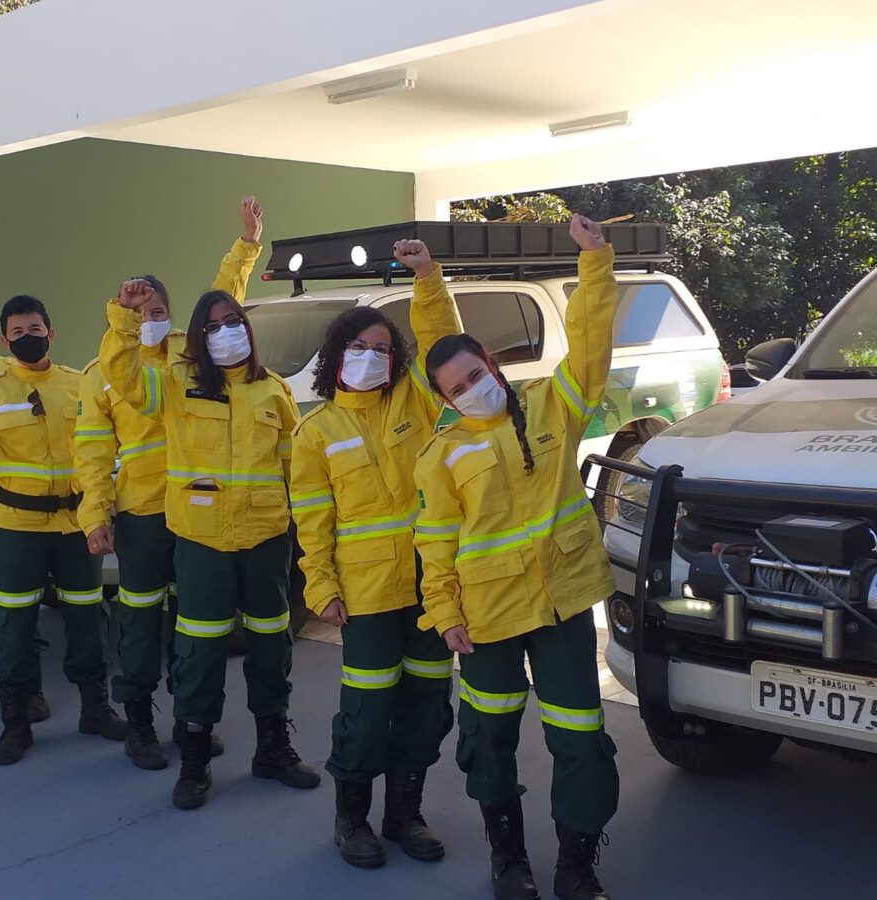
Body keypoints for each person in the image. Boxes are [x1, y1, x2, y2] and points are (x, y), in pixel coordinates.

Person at [414, 215, 619, 900]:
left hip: (561, 608)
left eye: (476, 374)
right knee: (487, 743)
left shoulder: (551, 406)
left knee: (581, 741)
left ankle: (576, 866)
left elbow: (589, 348)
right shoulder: (443, 454)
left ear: (494, 366)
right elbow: (435, 542)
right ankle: (510, 860)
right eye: (455, 387)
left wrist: (594, 262)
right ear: (444, 400)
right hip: (487, 619)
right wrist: (443, 614)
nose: (470, 388)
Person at [101, 246, 320, 811]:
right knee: (199, 654)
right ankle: (195, 762)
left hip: (267, 539)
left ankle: (273, 747)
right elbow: (123, 378)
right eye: (214, 325)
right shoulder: (173, 383)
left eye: (234, 323)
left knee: (273, 645)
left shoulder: (275, 390)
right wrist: (126, 319)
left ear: (247, 329)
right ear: (197, 336)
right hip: (201, 543)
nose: (226, 331)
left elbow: (297, 470)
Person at [77, 197, 264, 771]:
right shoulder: (105, 374)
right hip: (142, 514)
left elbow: (222, 298)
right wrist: (96, 515)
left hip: (200, 512)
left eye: (159, 308)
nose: (151, 317)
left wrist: (247, 245)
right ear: (126, 316)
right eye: (141, 310)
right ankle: (137, 722)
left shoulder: (190, 361)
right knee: (139, 618)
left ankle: (191, 721)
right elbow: (92, 451)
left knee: (195, 625)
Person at [290, 238, 460, 869]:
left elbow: (442, 340)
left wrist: (426, 279)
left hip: (431, 587)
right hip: (364, 596)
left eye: (381, 350)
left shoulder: (416, 400)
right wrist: (320, 586)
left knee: (425, 706)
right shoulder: (316, 432)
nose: (369, 357)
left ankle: (404, 814)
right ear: (336, 356)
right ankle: (352, 819)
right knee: (366, 709)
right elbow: (312, 519)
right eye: (357, 348)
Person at [0, 294, 124, 765]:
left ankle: (96, 708)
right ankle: (16, 723)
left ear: (51, 334)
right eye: (17, 333)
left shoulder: (79, 386)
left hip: (75, 526)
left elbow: (103, 451)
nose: (27, 338)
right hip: (14, 526)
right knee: (14, 624)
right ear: (5, 338)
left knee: (87, 616)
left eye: (35, 329)